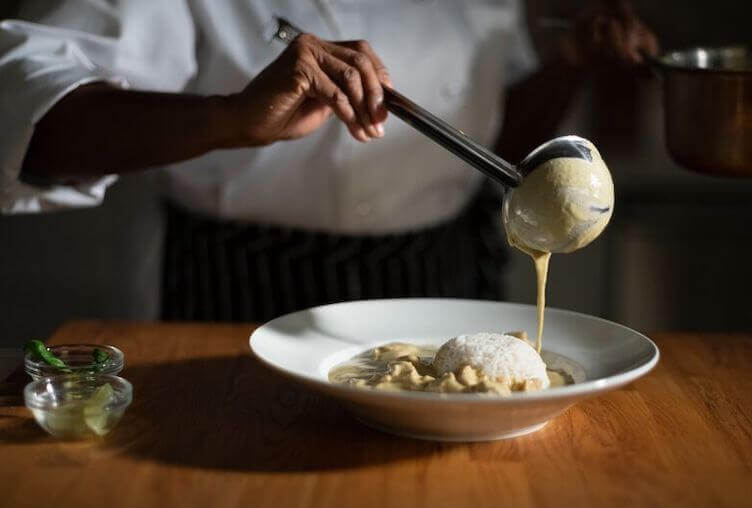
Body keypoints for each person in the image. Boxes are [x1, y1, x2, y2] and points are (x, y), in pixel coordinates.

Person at [0, 0, 657, 322]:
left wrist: (569, 66)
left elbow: (486, 135)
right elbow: (30, 115)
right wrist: (231, 117)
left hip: (440, 275)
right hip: (240, 288)